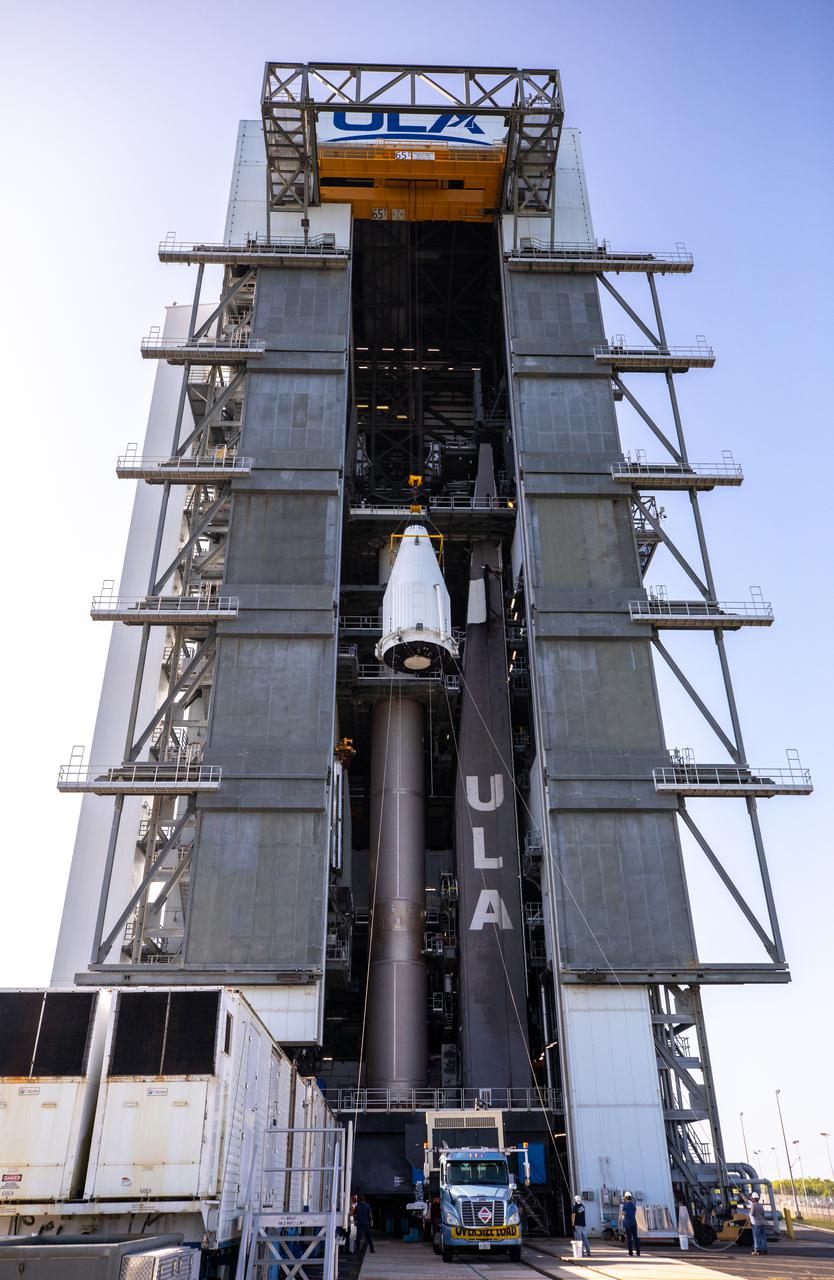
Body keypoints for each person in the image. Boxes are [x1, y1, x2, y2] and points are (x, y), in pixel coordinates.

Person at [622, 1192, 640, 1257]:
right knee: (636, 1238)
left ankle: (630, 1253)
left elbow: (624, 1214)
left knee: (629, 1239)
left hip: (628, 1223)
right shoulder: (633, 1205)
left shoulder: (625, 1205)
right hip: (634, 1223)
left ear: (626, 1198)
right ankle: (638, 1253)